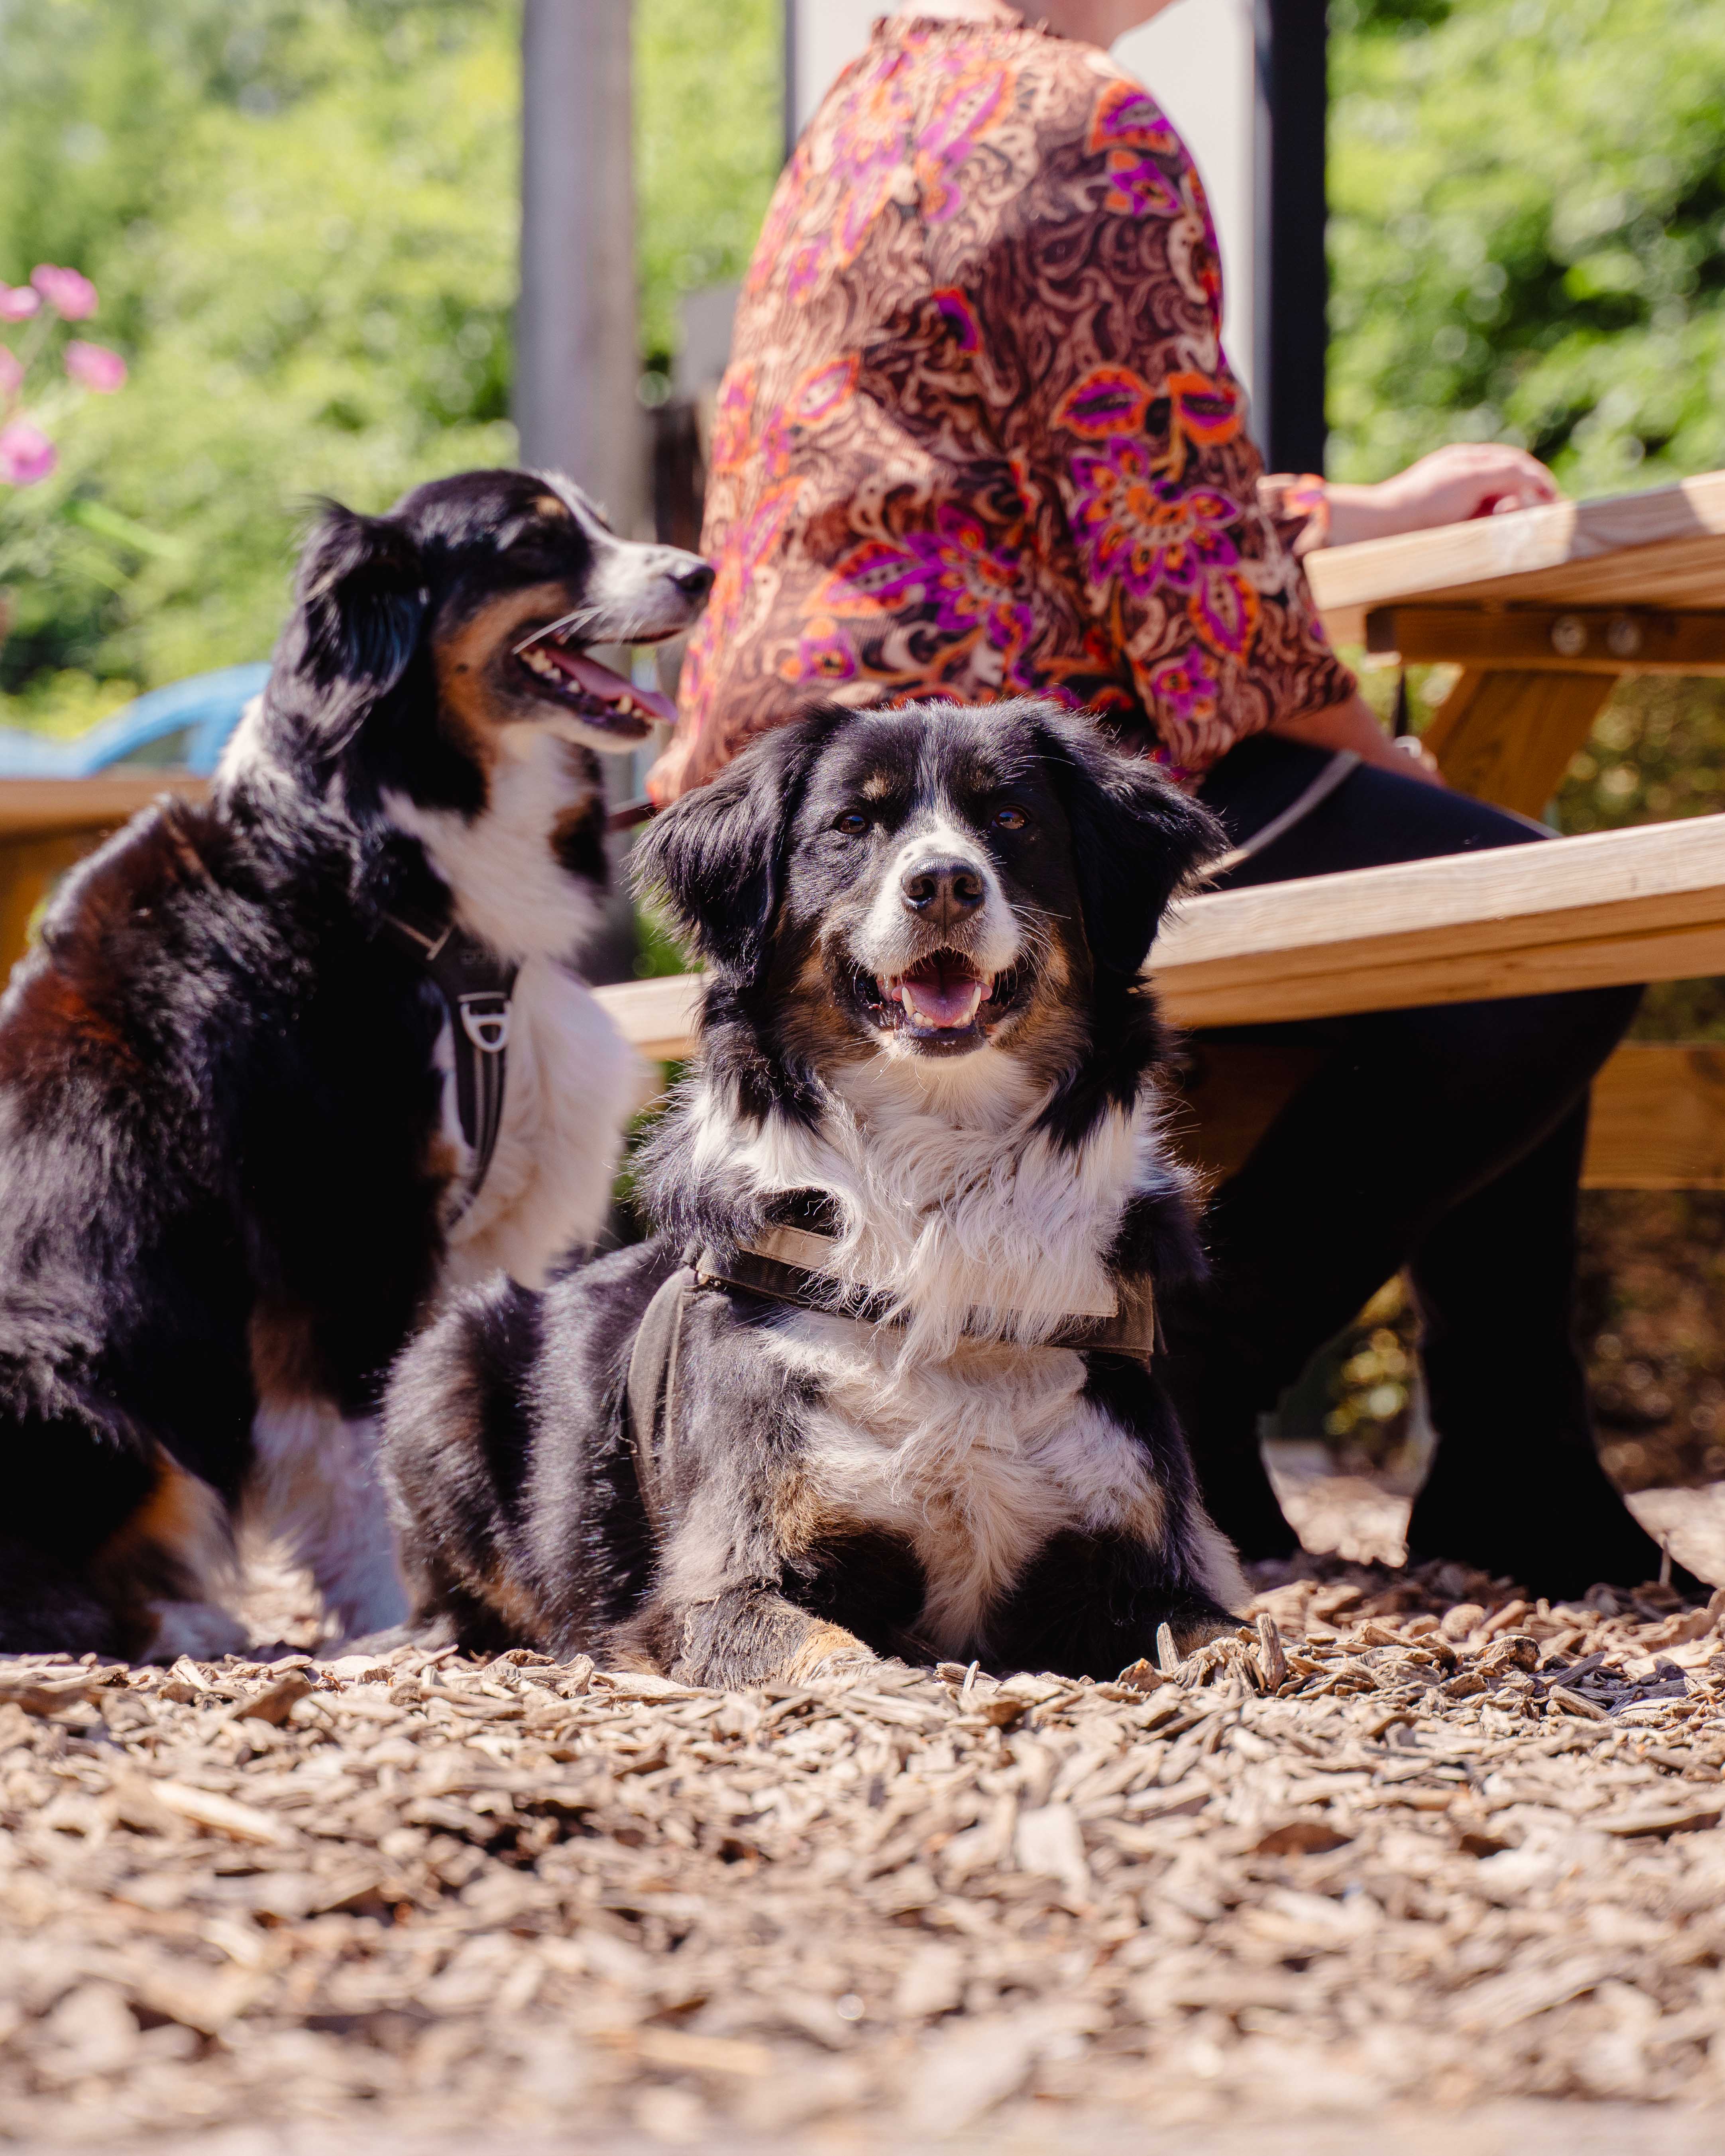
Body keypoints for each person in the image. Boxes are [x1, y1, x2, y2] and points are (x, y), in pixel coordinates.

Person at [649, 0, 1660, 1596]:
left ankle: (1512, 1469)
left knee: (1495, 892)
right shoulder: (1077, 118)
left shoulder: (878, 105)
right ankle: (1182, 1363)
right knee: (1551, 928)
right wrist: (1362, 748)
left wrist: (1350, 511)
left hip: (818, 788)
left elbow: (1014, 457)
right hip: (994, 780)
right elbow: (1168, 552)